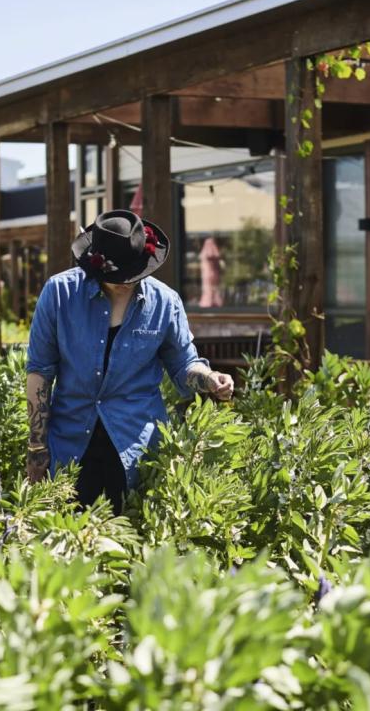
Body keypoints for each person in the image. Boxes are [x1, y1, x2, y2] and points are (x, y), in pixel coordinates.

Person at [25, 210, 234, 514]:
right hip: (70, 444)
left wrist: (209, 378)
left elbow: (183, 364)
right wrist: (36, 448)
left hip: (136, 445)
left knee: (132, 551)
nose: (126, 282)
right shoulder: (59, 293)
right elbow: (40, 374)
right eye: (117, 276)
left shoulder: (165, 302)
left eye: (133, 273)